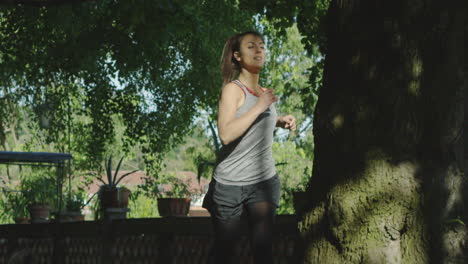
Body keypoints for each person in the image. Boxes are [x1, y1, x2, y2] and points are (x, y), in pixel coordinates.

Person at [202, 31, 297, 264]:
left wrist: (279, 120)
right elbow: (226, 133)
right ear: (237, 56)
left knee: (263, 251)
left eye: (262, 46)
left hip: (263, 181)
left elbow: (254, 121)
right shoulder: (232, 90)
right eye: (251, 46)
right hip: (230, 185)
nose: (259, 51)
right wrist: (260, 107)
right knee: (225, 254)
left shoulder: (264, 92)